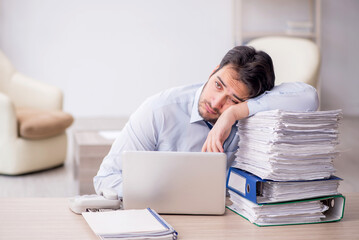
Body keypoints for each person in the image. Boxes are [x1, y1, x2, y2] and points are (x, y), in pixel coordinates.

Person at [94, 46, 319, 197]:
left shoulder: (253, 113)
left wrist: (233, 115)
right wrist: (166, 195)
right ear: (213, 72)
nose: (216, 102)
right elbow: (106, 179)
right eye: (218, 85)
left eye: (233, 99)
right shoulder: (159, 110)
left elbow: (309, 97)